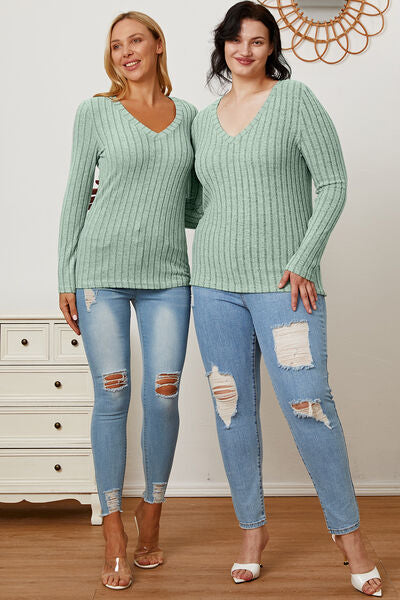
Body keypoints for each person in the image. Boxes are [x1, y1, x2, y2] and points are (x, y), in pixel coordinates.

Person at [190, 1, 382, 596]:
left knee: (308, 404)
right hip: (213, 285)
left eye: (257, 40)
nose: (244, 51)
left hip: (284, 284)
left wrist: (304, 258)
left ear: (271, 47)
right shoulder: (202, 120)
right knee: (231, 410)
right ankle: (252, 533)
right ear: (222, 47)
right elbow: (199, 204)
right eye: (235, 41)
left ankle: (351, 538)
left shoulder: (295, 101)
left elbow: (333, 183)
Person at [58, 10, 202, 590]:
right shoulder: (94, 112)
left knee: (164, 396)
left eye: (135, 40)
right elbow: (75, 195)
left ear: (158, 44)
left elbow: (196, 203)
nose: (126, 52)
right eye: (116, 45)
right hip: (100, 273)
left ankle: (153, 511)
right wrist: (65, 276)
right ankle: (113, 528)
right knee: (112, 392)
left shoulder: (190, 117)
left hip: (168, 276)